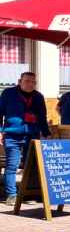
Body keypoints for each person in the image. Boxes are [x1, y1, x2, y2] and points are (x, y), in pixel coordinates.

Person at [0, 72, 50, 206]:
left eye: (33, 82)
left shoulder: (38, 96)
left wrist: (46, 133)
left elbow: (42, 117)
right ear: (19, 81)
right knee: (12, 166)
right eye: (27, 81)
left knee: (32, 166)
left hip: (32, 136)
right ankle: (11, 195)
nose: (31, 84)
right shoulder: (8, 93)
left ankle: (30, 194)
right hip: (12, 135)